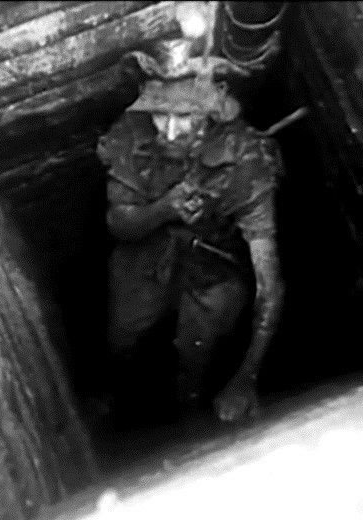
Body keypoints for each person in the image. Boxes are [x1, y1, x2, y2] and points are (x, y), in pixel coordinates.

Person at [96, 37, 285, 423]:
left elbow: (271, 286)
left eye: (183, 116)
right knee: (122, 337)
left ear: (208, 112)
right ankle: (115, 399)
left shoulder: (246, 158)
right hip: (146, 249)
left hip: (215, 259)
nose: (168, 131)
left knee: (196, 351)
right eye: (159, 114)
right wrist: (163, 209)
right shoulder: (130, 133)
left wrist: (246, 378)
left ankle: (189, 414)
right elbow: (118, 224)